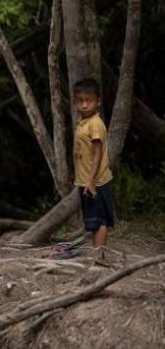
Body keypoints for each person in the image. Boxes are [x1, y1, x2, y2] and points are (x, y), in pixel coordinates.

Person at [71, 78, 115, 247]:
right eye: (80, 101)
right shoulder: (83, 123)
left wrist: (90, 181)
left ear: (98, 101)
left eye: (88, 101)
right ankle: (97, 253)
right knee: (93, 220)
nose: (84, 105)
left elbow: (97, 153)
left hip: (96, 182)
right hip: (85, 181)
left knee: (100, 220)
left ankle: (99, 255)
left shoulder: (95, 124)